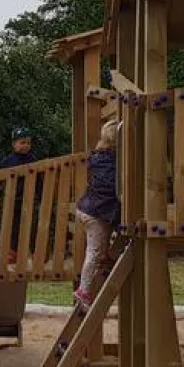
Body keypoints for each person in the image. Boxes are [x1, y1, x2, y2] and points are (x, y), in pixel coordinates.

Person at [72, 119, 120, 307]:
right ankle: (83, 290)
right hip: (96, 213)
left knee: (99, 248)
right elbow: (111, 191)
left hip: (88, 208)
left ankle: (104, 258)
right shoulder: (113, 162)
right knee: (94, 251)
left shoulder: (98, 156)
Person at [0, 128, 37, 263]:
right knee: (12, 227)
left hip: (29, 199)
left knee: (32, 226)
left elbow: (39, 179)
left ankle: (37, 252)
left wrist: (40, 193)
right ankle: (12, 253)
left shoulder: (33, 160)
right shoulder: (8, 161)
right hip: (12, 200)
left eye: (28, 143)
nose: (26, 145)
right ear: (14, 144)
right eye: (22, 142)